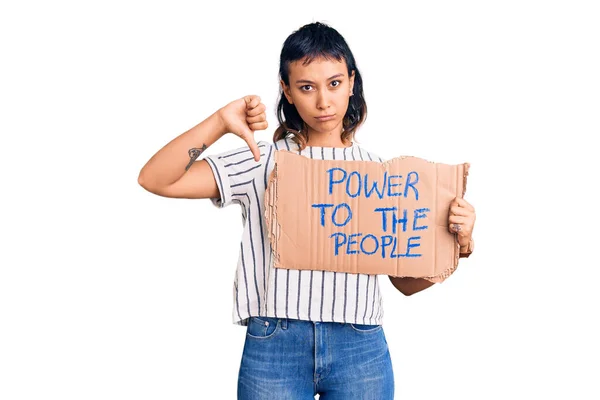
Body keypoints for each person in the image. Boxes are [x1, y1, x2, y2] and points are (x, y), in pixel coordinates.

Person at [138, 21, 476, 400]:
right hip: (275, 344)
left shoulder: (382, 176)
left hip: (359, 347)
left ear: (351, 81)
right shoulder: (262, 161)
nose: (323, 102)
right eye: (306, 87)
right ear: (287, 90)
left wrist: (456, 246)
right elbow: (156, 179)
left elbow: (404, 284)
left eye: (333, 83)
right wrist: (220, 122)